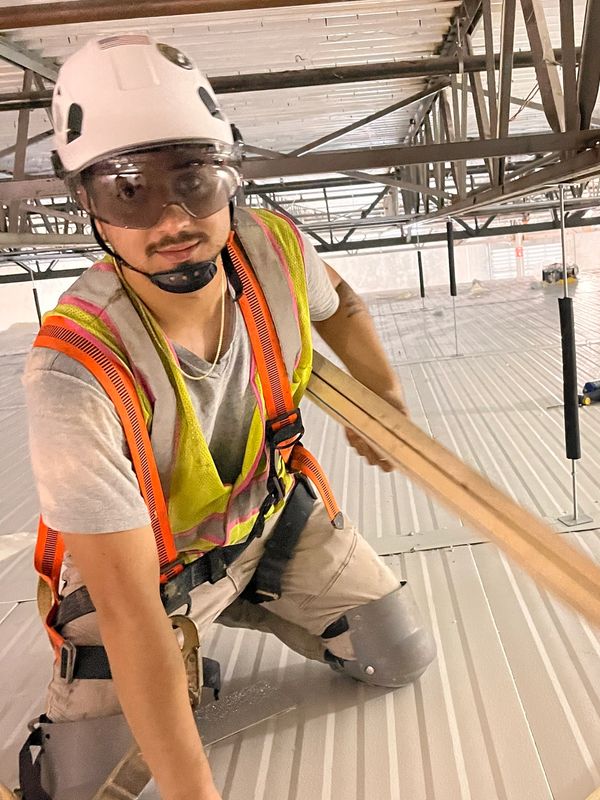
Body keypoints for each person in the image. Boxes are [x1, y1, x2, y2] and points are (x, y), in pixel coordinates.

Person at [22, 34, 436, 800]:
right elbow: (128, 607)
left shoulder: (272, 250)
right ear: (87, 203)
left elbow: (338, 302)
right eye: (128, 190)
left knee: (399, 657)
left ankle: (247, 603)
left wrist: (384, 400)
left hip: (270, 526)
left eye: (194, 180)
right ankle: (177, 664)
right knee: (83, 789)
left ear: (229, 176)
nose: (173, 218)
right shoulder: (72, 373)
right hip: (157, 579)